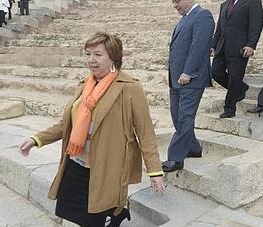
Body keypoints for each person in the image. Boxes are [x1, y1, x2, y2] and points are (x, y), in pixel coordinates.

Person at [19, 32, 165, 227]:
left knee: (92, 219)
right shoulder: (85, 85)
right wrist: (37, 139)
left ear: (113, 57)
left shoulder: (130, 88)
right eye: (88, 54)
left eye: (98, 54)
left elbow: (145, 132)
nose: (91, 60)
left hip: (106, 168)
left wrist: (155, 172)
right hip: (77, 162)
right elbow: (68, 124)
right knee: (73, 213)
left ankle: (116, 214)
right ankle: (116, 216)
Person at [163, 0, 215, 172]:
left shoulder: (203, 15)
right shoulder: (184, 19)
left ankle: (175, 158)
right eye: (173, 2)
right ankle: (193, 148)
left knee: (185, 118)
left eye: (177, 1)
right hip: (176, 78)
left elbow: (199, 46)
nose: (175, 6)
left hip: (190, 78)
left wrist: (188, 72)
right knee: (177, 116)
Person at [211, 0, 263, 118]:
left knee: (234, 77)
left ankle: (229, 109)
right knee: (215, 72)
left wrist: (251, 45)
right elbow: (219, 28)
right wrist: (213, 45)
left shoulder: (252, 1)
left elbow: (256, 25)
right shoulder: (224, 5)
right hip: (222, 47)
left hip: (240, 48)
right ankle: (241, 89)